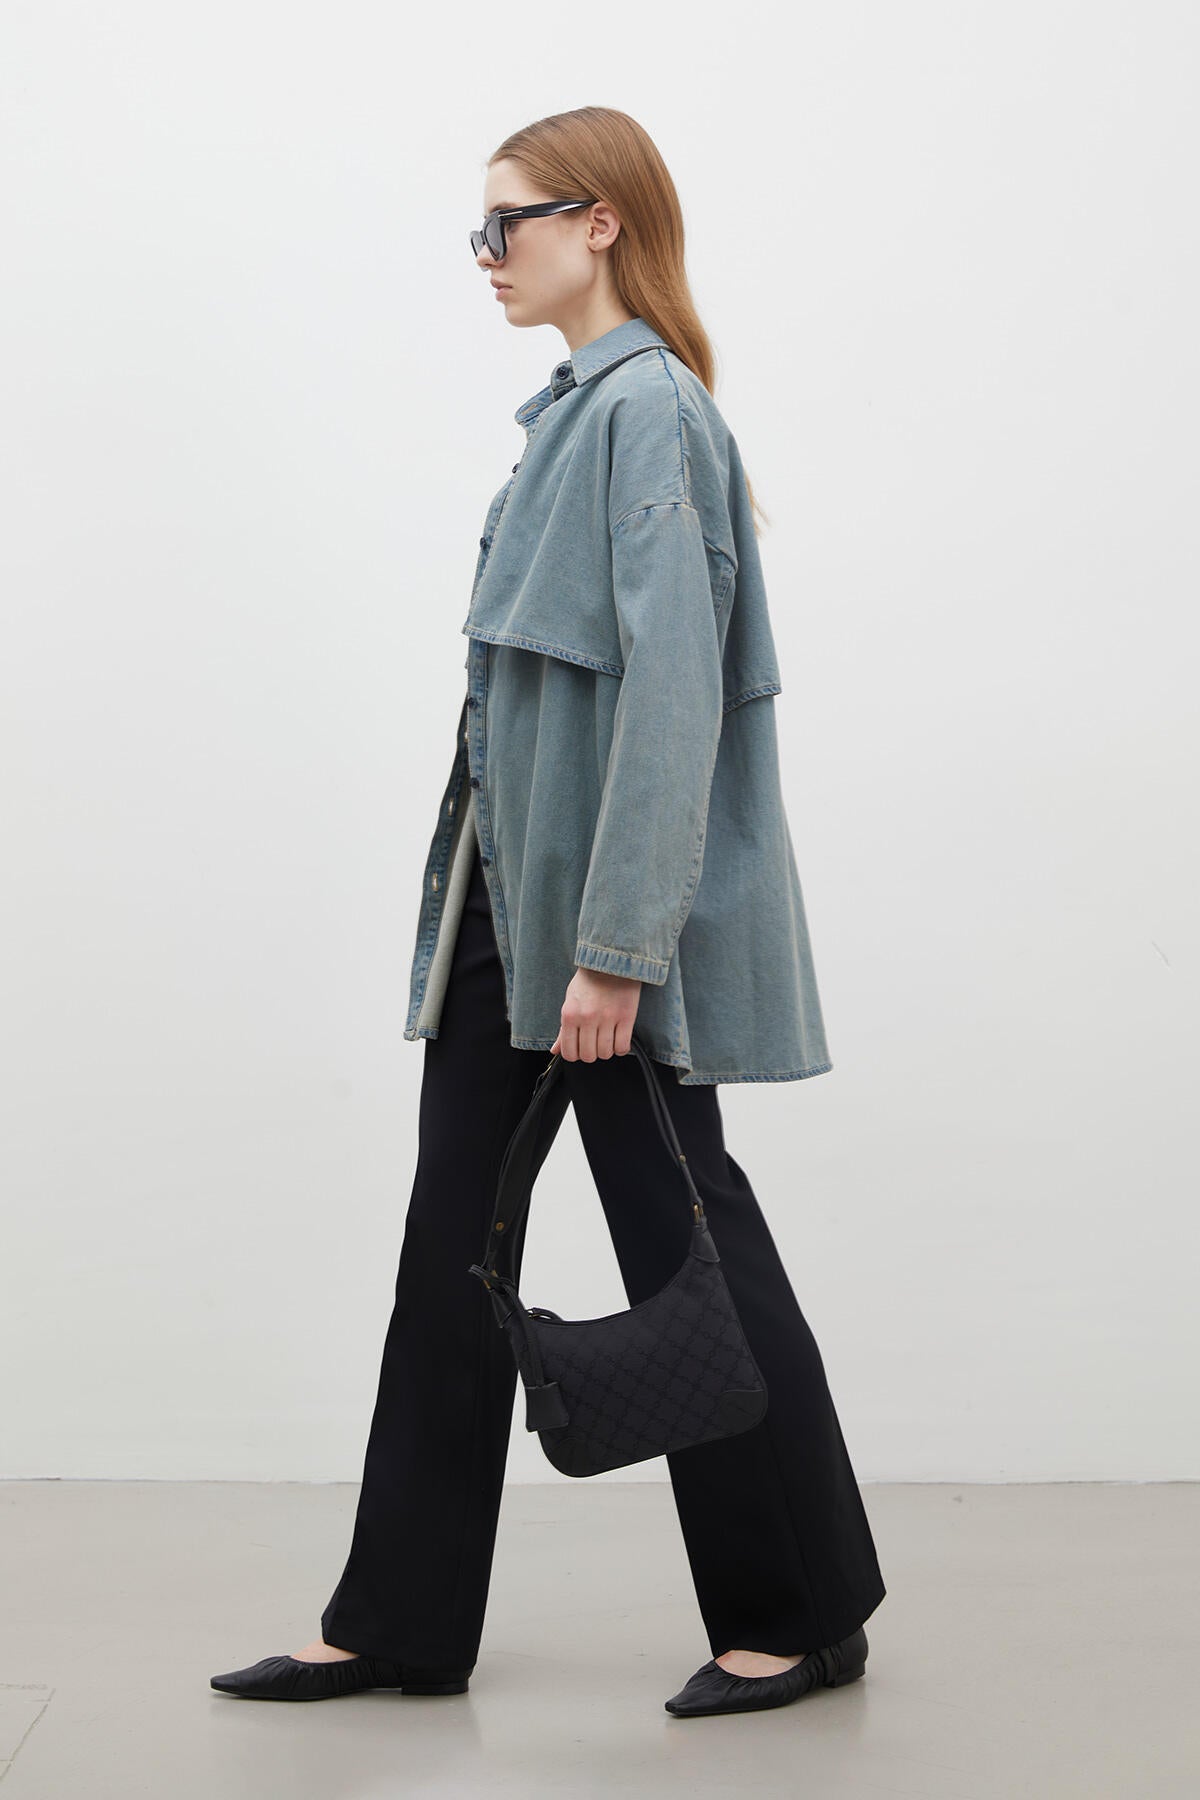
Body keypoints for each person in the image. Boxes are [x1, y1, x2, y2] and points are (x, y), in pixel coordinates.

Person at [211, 106, 886, 1720]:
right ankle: (398, 1618)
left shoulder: (651, 414)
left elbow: (673, 699)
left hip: (594, 931)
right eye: (483, 228)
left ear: (600, 223)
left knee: (687, 1241)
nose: (486, 255)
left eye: (505, 224)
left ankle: (802, 1612)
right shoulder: (571, 421)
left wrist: (618, 950)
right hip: (502, 911)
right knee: (449, 1249)